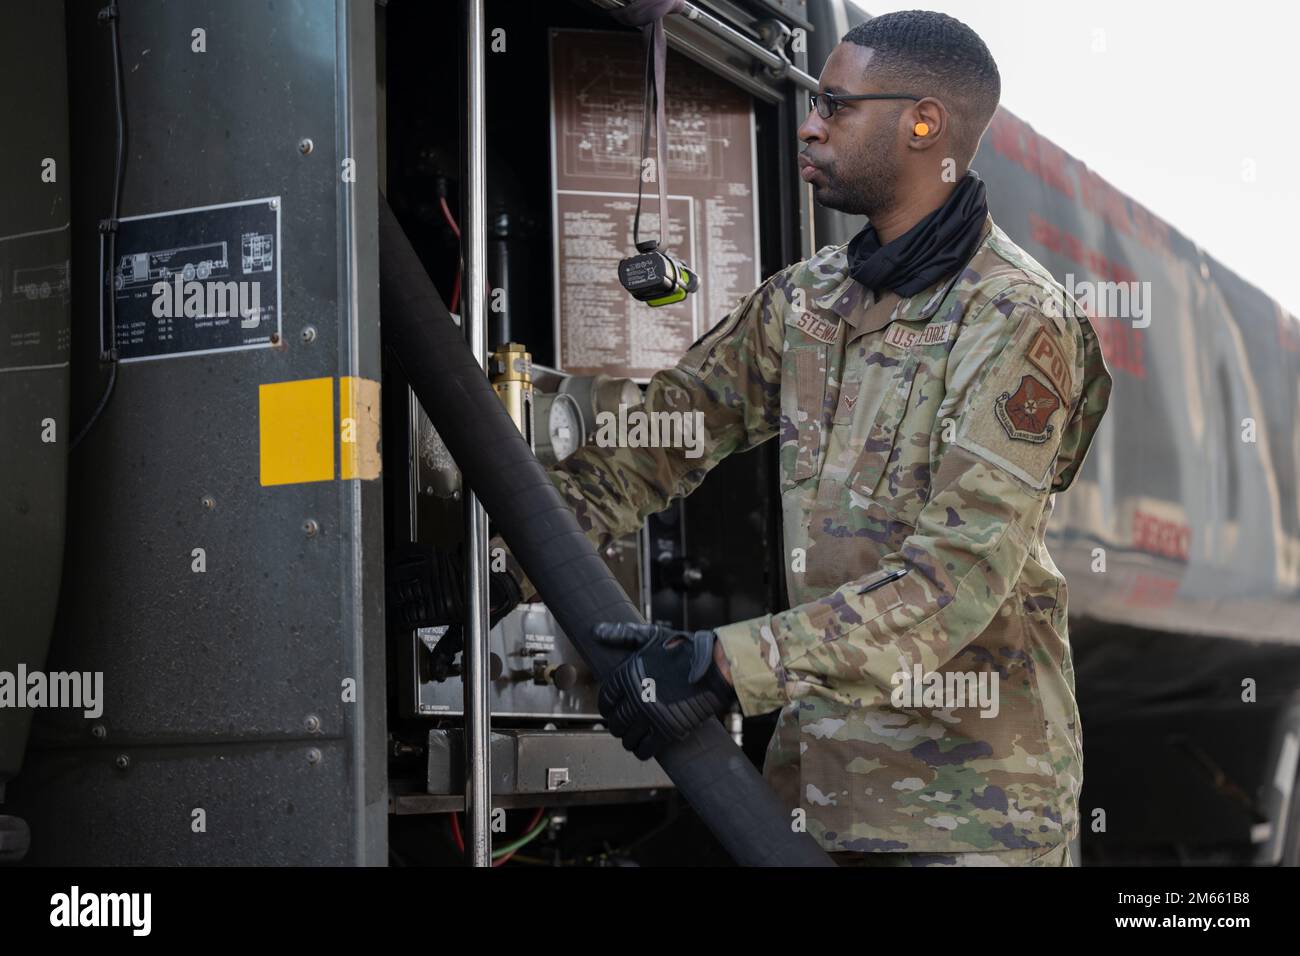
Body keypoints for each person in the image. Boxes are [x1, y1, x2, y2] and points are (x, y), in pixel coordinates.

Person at [559, 10, 1112, 866]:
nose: (809, 124)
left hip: (970, 821)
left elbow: (949, 582)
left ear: (923, 123)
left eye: (835, 105)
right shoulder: (809, 302)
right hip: (813, 801)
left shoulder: (1018, 320)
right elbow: (654, 441)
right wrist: (493, 564)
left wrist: (718, 665)